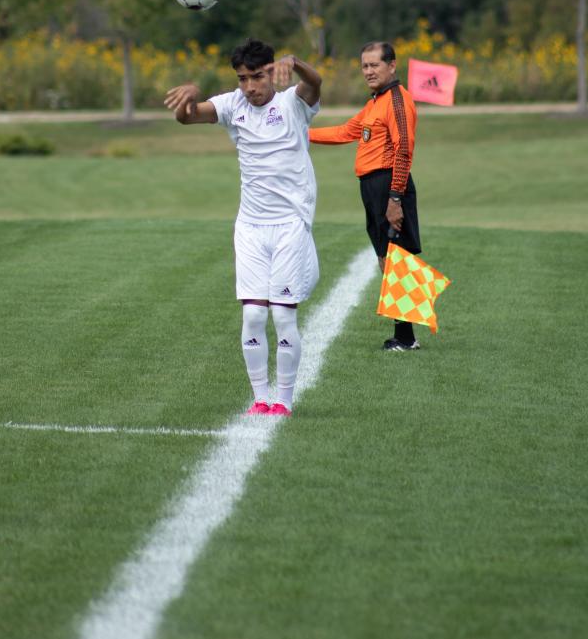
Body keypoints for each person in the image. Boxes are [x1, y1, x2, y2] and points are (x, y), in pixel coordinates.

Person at [164, 38, 323, 416]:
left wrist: (296, 62)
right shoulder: (232, 105)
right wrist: (191, 94)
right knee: (253, 314)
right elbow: (187, 116)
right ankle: (260, 398)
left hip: (290, 225)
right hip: (250, 226)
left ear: (271, 72)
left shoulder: (292, 103)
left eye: (257, 77)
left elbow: (315, 84)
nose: (250, 87)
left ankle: (284, 399)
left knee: (283, 315)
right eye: (242, 79)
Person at [308, 41, 423, 351]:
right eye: (365, 66)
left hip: (389, 186)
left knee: (400, 261)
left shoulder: (397, 101)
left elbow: (403, 150)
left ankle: (406, 338)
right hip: (373, 188)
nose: (369, 71)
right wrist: (300, 134)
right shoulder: (375, 102)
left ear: (392, 66)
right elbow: (347, 131)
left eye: (375, 65)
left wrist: (395, 198)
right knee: (387, 260)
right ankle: (404, 334)